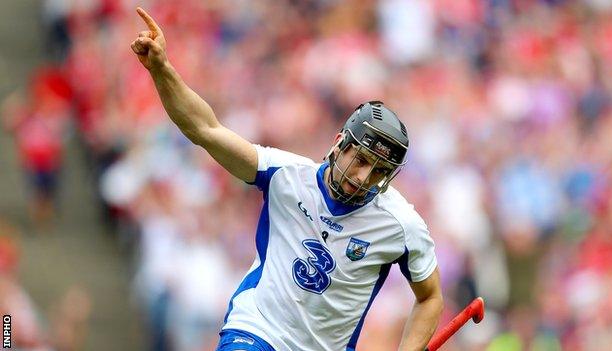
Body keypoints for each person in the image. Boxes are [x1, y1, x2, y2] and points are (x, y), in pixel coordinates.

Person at [130, 7, 443, 351]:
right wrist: (161, 70)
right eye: (361, 159)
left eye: (380, 171)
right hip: (257, 332)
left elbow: (429, 298)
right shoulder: (284, 174)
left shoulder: (401, 225)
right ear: (340, 142)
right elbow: (204, 128)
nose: (364, 176)